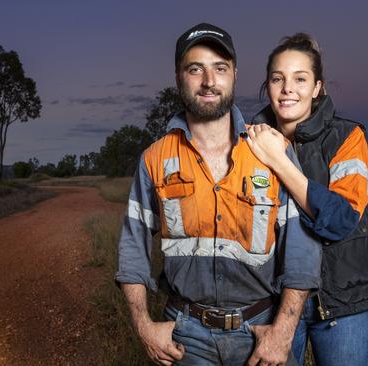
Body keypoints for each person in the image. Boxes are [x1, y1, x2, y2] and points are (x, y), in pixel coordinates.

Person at [115, 23, 322, 366]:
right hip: (185, 338)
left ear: (235, 75)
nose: (209, 81)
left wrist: (282, 333)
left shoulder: (271, 150)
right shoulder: (155, 158)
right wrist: (143, 326)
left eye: (220, 68)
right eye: (195, 69)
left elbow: (301, 250)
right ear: (179, 77)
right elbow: (133, 247)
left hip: (260, 331)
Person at [245, 33, 368, 366]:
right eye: (278, 79)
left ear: (317, 87)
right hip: (275, 301)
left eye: (300, 79)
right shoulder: (249, 141)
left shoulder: (347, 137)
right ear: (268, 86)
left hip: (345, 302)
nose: (288, 88)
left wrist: (278, 160)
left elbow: (339, 219)